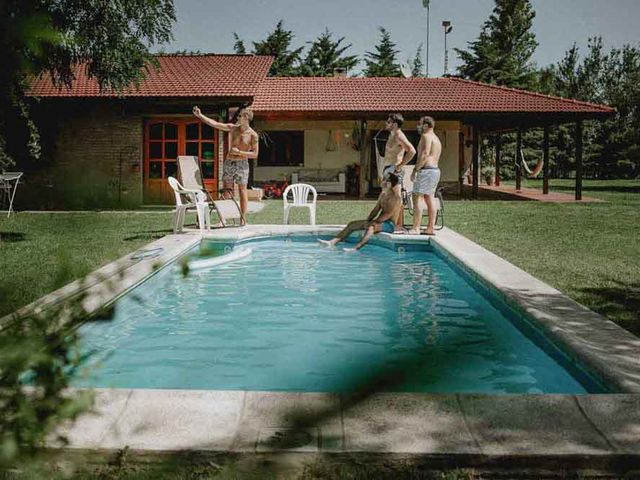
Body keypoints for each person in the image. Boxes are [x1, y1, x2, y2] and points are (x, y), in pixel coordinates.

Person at [192, 105, 259, 224]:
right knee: (226, 191)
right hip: (229, 162)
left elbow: (255, 154)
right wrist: (200, 115)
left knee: (242, 191)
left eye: (239, 116)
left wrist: (240, 152)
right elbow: (215, 124)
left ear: (246, 117)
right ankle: (223, 219)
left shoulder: (253, 135)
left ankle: (243, 219)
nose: (237, 118)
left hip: (242, 164)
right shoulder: (233, 128)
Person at [318, 173, 402, 251]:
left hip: (390, 225)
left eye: (384, 180)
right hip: (379, 221)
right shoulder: (383, 195)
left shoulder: (396, 198)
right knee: (352, 224)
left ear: (390, 184)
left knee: (371, 227)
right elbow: (376, 210)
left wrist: (372, 222)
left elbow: (388, 215)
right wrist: (367, 220)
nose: (381, 182)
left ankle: (356, 248)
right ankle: (332, 242)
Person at [381, 113, 416, 230]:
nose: (386, 123)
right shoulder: (392, 135)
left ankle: (399, 226)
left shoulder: (399, 135)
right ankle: (391, 223)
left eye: (389, 122)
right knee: (388, 198)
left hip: (394, 170)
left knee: (397, 198)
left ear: (394, 124)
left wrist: (400, 166)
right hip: (388, 169)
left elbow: (411, 151)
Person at [408, 116, 442, 235]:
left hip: (426, 170)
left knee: (417, 197)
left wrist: (415, 170)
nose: (418, 126)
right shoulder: (436, 139)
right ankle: (430, 228)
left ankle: (416, 228)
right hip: (435, 170)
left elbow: (425, 154)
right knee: (429, 197)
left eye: (420, 124)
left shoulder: (426, 136)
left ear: (426, 126)